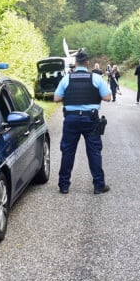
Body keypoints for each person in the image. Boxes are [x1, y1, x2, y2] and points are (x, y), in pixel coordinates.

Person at [54, 51, 112, 195]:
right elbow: (107, 97)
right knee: (94, 152)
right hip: (90, 119)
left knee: (67, 151)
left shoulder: (66, 79)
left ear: (75, 63)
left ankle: (64, 186)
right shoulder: (96, 78)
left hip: (71, 119)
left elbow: (56, 98)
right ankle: (99, 186)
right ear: (87, 63)